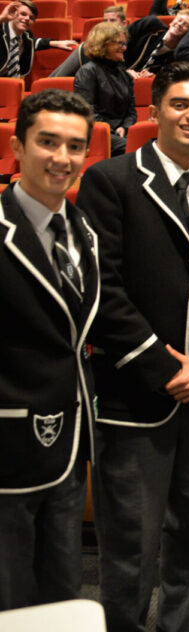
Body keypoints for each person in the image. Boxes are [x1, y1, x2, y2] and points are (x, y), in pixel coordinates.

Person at [76, 61, 189, 632]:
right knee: (130, 543)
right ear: (155, 112)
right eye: (180, 104)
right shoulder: (112, 181)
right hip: (135, 394)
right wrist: (162, 366)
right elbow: (104, 290)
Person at [0, 90, 98, 611]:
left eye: (75, 146)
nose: (62, 158)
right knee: (9, 594)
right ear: (17, 146)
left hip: (68, 440)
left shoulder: (82, 229)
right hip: (7, 445)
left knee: (60, 592)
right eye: (47, 142)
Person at [51, 7, 189, 79]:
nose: (179, 25)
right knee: (54, 82)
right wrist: (124, 70)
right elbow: (116, 42)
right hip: (98, 54)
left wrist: (150, 76)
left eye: (185, 25)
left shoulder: (177, 55)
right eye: (179, 20)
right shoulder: (151, 25)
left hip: (116, 78)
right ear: (172, 21)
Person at [73, 22, 135, 156]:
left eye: (124, 44)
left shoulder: (125, 75)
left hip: (122, 133)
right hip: (97, 132)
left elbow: (131, 111)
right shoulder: (88, 72)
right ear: (104, 43)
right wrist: (112, 131)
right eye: (119, 43)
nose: (124, 48)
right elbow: (88, 111)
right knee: (137, 149)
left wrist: (124, 128)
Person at [0, 0, 76, 79]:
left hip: (12, 83)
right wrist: (2, 17)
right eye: (23, 14)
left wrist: (55, 43)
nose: (27, 19)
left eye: (31, 18)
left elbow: (33, 42)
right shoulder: (1, 29)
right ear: (13, 13)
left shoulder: (26, 35)